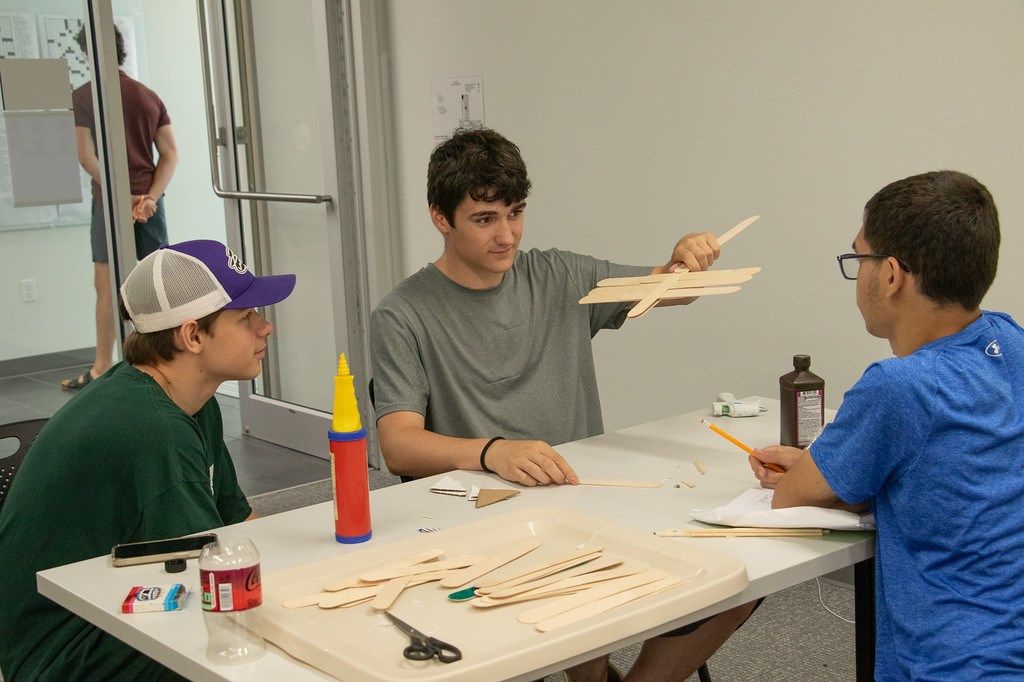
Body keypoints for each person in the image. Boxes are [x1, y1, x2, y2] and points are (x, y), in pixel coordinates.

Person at [370, 127, 756, 681]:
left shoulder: (560, 275)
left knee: (737, 578)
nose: (506, 236)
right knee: (582, 598)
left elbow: (669, 288)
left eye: (516, 213)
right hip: (485, 519)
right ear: (440, 217)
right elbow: (399, 445)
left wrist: (684, 261)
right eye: (484, 219)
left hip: (585, 495)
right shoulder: (403, 315)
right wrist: (493, 452)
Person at [748, 171, 1024, 679]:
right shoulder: (1012, 343)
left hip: (953, 665)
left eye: (859, 260)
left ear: (891, 274)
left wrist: (814, 472)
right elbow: (953, 473)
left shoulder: (897, 386)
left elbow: (791, 496)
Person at [0, 239, 296, 680]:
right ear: (192, 335)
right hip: (66, 651)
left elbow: (236, 525)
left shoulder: (190, 397)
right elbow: (212, 575)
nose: (265, 327)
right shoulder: (153, 428)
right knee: (264, 653)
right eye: (246, 317)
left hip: (111, 604)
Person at [62, 26, 179, 390]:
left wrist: (120, 195)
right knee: (154, 286)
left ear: (87, 53)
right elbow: (171, 155)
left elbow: (86, 157)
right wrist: (149, 199)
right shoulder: (147, 96)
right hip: (148, 204)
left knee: (106, 286)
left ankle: (101, 368)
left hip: (113, 205)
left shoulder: (84, 96)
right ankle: (161, 366)